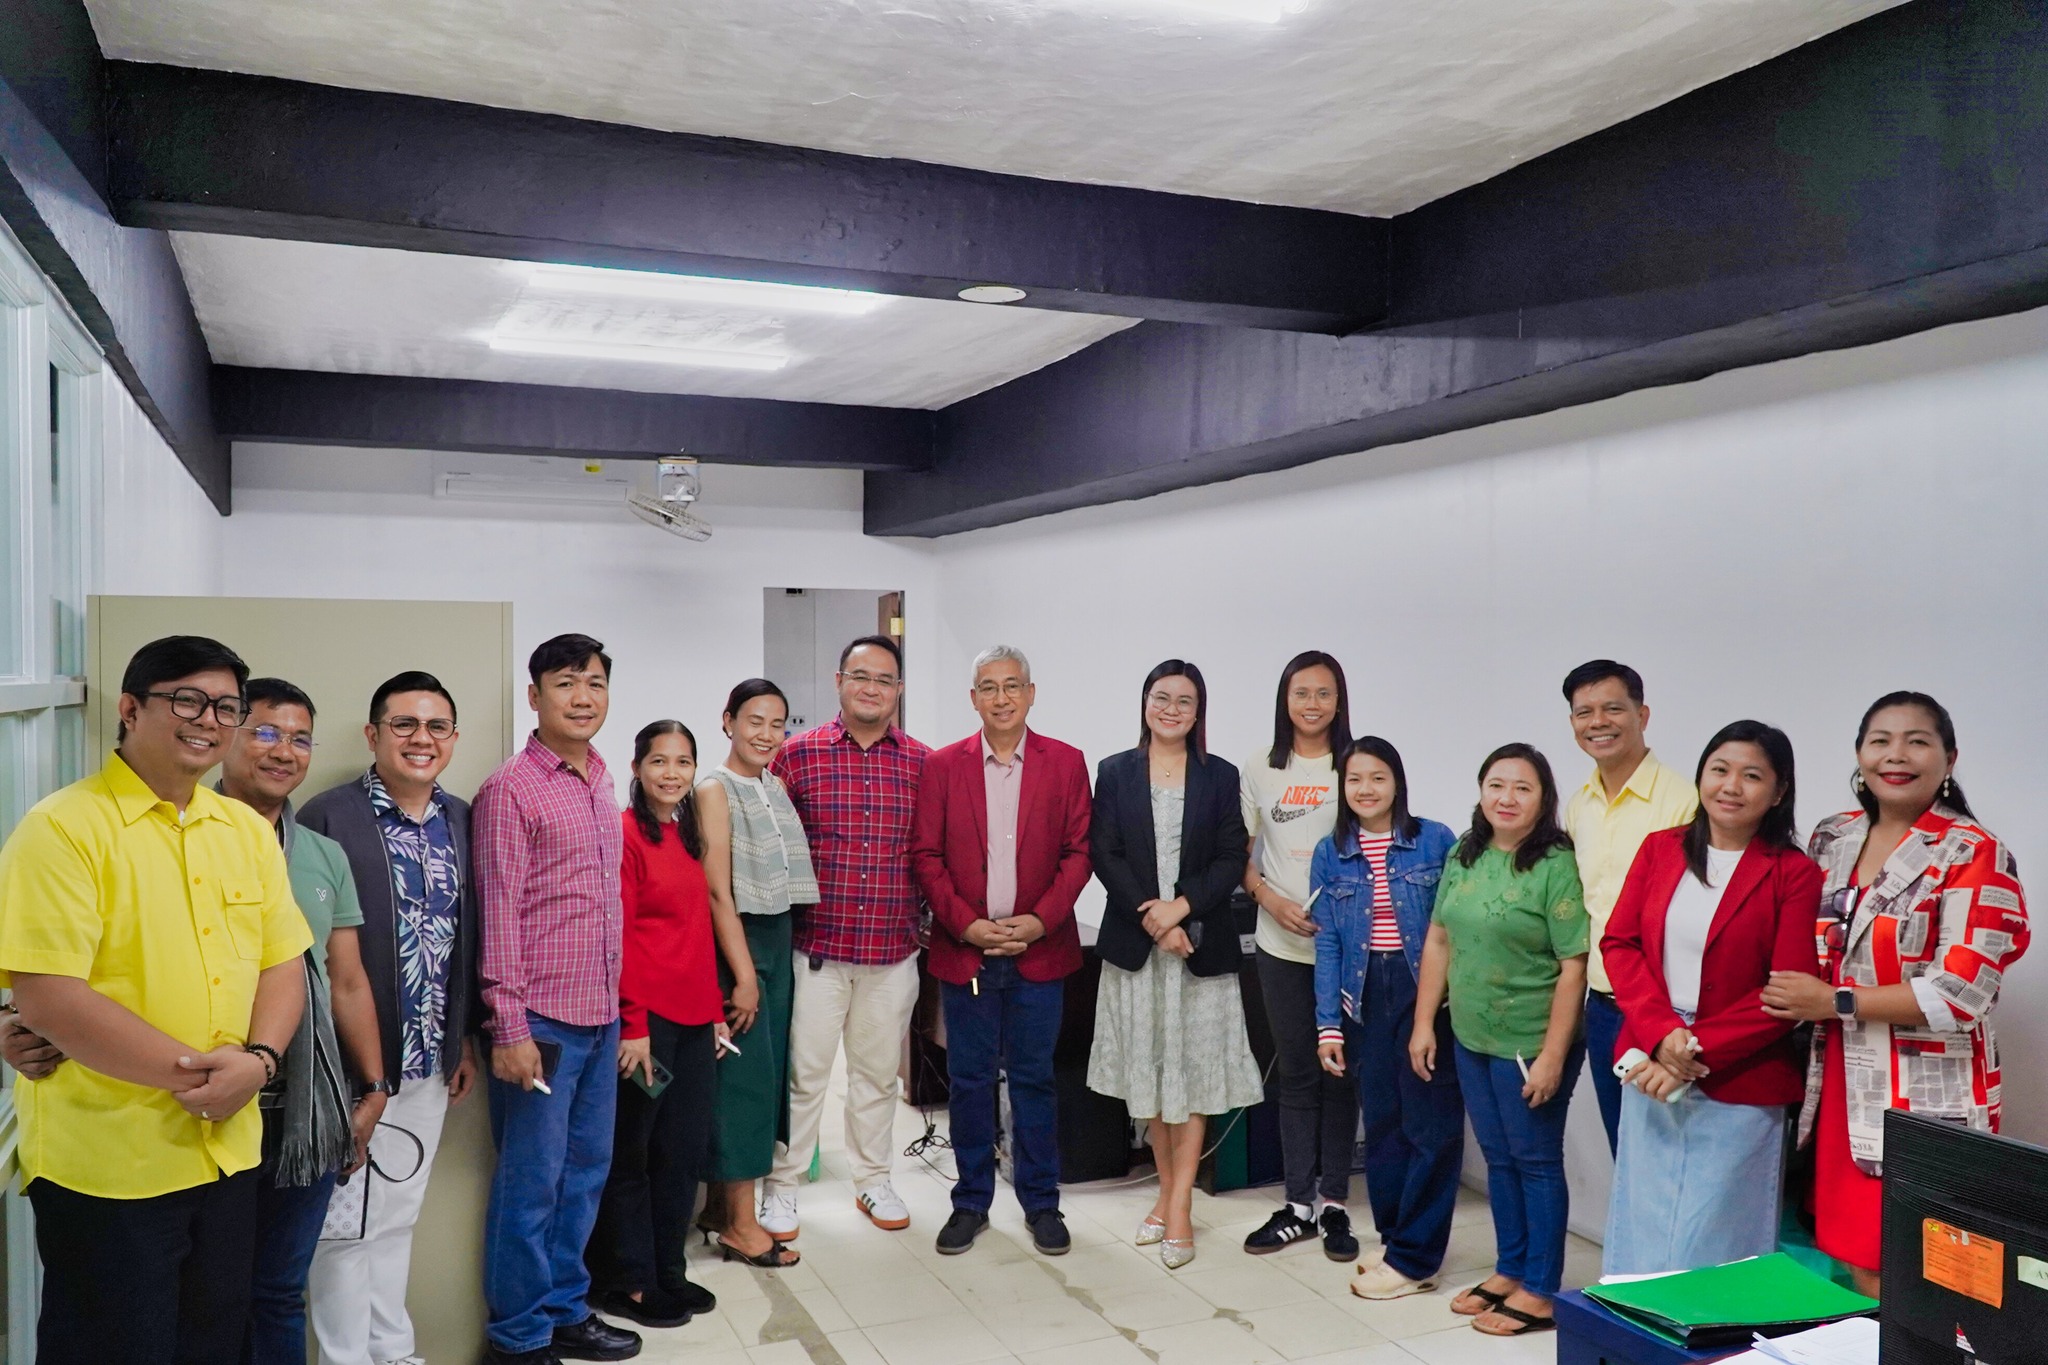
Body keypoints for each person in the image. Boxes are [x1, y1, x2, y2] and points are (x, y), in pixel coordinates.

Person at [2, 676, 382, 1365]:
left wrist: (260, 1063)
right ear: (130, 709)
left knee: (222, 1328)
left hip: (237, 1141)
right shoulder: (62, 826)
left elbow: (293, 965)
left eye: (224, 707)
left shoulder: (249, 835)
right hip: (116, 1155)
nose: (209, 720)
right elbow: (49, 987)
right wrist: (208, 1077)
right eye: (188, 702)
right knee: (115, 1340)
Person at [1762, 692, 2029, 1299]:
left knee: (1926, 1264)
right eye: (1880, 741)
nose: (1896, 755)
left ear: (1949, 759)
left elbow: (1961, 992)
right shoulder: (1832, 837)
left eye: (1917, 741)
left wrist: (1836, 1001)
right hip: (1837, 1077)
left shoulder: (1974, 850)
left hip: (1924, 1088)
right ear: (1860, 754)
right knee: (1856, 1252)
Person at [299, 670, 485, 1365]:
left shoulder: (462, 820)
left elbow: (467, 941)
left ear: (453, 739)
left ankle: (393, 1350)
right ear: (373, 734)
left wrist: (463, 1039)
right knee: (343, 1227)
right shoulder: (329, 816)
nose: (421, 738)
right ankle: (347, 1357)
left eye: (436, 726)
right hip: (354, 1066)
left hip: (430, 1062)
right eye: (404, 724)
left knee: (398, 1216)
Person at [1600, 721, 1824, 1275]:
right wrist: (1663, 1036)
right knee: (1643, 1221)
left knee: (1719, 1239)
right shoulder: (1660, 850)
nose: (1731, 786)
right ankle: (1637, 1326)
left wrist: (1691, 1050)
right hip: (1650, 1059)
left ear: (1778, 792)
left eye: (1752, 776)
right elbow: (1620, 944)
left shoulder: (1794, 873)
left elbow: (1788, 989)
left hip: (1742, 1074)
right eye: (1720, 770)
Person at [475, 635, 638, 1365]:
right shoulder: (511, 789)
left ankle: (567, 1308)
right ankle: (517, 1336)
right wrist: (508, 1025)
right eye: (566, 682)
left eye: (595, 683)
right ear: (534, 695)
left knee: (584, 1174)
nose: (583, 697)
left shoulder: (600, 776)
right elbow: (499, 911)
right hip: (538, 1020)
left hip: (599, 1015)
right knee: (531, 1183)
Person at [911, 645, 1093, 1258]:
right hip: (968, 956)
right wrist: (966, 926)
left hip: (1040, 954)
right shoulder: (942, 766)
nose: (1001, 697)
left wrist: (1039, 922)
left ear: (1031, 693)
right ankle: (970, 1202)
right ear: (973, 699)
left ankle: (1042, 1203)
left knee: (1035, 1080)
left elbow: (1079, 853)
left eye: (1012, 685)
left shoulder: (1065, 763)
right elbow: (926, 857)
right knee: (969, 1082)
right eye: (988, 687)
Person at [1086, 660, 1262, 1271]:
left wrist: (1181, 909)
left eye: (1184, 701)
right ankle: (1165, 1194)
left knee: (1192, 1082)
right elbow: (1103, 852)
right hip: (1140, 951)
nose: (1171, 709)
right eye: (1161, 698)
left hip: (1200, 949)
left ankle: (1179, 1204)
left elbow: (1230, 856)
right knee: (1154, 1082)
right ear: (1145, 703)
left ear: (1198, 711)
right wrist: (1155, 920)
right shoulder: (1115, 771)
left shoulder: (1221, 775)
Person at [1412, 742, 1587, 1338]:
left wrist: (1554, 1056)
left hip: (1531, 1041)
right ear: (1481, 791)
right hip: (1472, 1034)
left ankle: (1542, 1289)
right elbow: (1439, 937)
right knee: (1499, 1157)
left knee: (1535, 1161)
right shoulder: (1466, 852)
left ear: (1544, 799)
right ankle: (1511, 1269)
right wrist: (1423, 1023)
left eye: (1522, 788)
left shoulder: (1555, 863)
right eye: (1496, 785)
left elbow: (1573, 964)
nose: (1506, 798)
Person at [762, 635, 933, 1238]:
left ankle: (873, 1180)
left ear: (899, 690)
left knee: (877, 1077)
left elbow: (932, 853)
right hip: (817, 950)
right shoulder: (796, 756)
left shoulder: (923, 762)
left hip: (892, 951)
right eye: (861, 676)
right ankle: (782, 1188)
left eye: (884, 680)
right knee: (804, 1077)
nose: (871, 689)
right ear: (839, 681)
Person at [588, 721, 744, 1327]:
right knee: (634, 1153)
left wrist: (713, 1013)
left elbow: (696, 932)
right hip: (645, 1024)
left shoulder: (688, 835)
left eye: (683, 762)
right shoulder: (624, 834)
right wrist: (632, 1023)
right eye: (659, 761)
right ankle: (630, 1281)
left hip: (693, 1020)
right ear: (636, 768)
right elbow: (620, 935)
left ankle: (669, 1271)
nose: (671, 773)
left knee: (681, 1153)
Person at [1310, 737, 1461, 1301]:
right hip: (1364, 994)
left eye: (1378, 777)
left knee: (1430, 1126)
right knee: (1383, 1125)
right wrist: (1328, 1023)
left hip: (1427, 992)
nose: (1366, 789)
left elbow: (1453, 928)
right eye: (1354, 779)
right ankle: (1398, 1242)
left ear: (1397, 782)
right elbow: (1328, 942)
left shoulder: (1435, 840)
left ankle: (1417, 1259)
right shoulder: (1332, 851)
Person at [695, 679, 818, 1269]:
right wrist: (743, 976)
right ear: (728, 721)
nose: (767, 734)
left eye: (777, 723)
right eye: (754, 721)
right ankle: (743, 1228)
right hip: (739, 948)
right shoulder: (713, 789)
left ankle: (719, 1211)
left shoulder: (774, 785)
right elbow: (717, 891)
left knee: (765, 1084)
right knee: (742, 1089)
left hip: (776, 943)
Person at [1240, 650, 1358, 1260]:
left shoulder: (1356, 763)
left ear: (1339, 701)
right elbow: (1241, 856)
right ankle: (1297, 1206)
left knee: (1340, 1076)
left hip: (1348, 953)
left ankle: (1335, 1203)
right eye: (1301, 693)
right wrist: (1269, 899)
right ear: (1285, 700)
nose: (1312, 704)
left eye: (1324, 693)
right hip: (1281, 946)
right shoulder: (1260, 766)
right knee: (1296, 1074)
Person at [1559, 660, 1697, 1155]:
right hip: (1602, 1006)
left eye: (1613, 709)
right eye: (1584, 712)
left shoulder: (1685, 802)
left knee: (1668, 1158)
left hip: (1665, 1010)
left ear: (1642, 715)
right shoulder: (1579, 805)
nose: (1598, 722)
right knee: (1625, 1152)